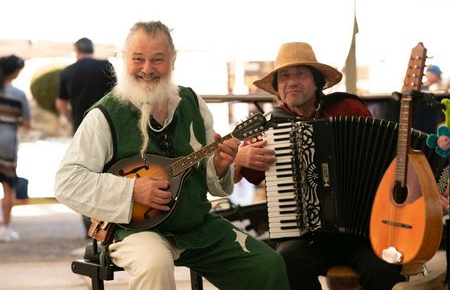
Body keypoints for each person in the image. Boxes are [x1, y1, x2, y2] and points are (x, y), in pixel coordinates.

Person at [54, 21, 289, 290]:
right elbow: (67, 182)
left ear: (172, 61)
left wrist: (221, 165)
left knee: (268, 266)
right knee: (155, 265)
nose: (147, 69)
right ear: (124, 61)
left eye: (158, 59)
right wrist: (131, 190)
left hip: (197, 226)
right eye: (138, 59)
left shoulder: (193, 104)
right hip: (135, 231)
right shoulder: (104, 115)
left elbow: (213, 183)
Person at [233, 42, 407, 290]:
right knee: (287, 261)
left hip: (363, 234)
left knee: (383, 269)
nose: (292, 82)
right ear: (277, 89)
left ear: (317, 82)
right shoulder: (269, 128)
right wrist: (239, 159)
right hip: (305, 237)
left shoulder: (348, 108)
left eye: (300, 74)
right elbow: (241, 175)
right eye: (284, 76)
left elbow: (384, 154)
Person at [56, 37, 117, 237]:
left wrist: (71, 118)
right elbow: (117, 95)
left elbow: (60, 103)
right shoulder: (106, 65)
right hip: (109, 127)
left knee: (83, 175)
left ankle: (90, 228)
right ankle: (110, 225)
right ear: (92, 49)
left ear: (76, 50)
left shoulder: (68, 71)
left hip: (81, 128)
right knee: (109, 174)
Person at [0, 55, 31, 242]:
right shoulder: (19, 95)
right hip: (7, 144)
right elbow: (26, 122)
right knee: (8, 187)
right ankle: (7, 229)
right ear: (15, 72)